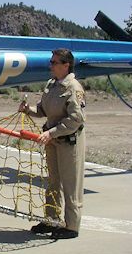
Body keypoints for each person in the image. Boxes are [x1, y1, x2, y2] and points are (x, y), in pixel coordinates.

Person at [19, 48, 86, 239]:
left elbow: (76, 119)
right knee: (53, 182)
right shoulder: (52, 85)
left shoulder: (73, 88)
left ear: (66, 65)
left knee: (71, 184)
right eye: (51, 61)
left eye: (55, 62)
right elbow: (43, 109)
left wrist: (52, 132)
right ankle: (52, 219)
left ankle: (72, 226)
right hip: (52, 140)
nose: (51, 65)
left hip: (69, 142)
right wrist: (28, 110)